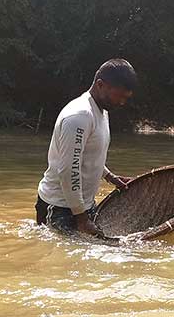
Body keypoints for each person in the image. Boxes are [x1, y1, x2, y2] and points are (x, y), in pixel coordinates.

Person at [35, 58, 137, 236]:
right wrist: (81, 219)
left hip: (81, 206)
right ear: (100, 84)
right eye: (119, 96)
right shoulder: (79, 116)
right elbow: (68, 170)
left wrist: (110, 177)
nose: (121, 102)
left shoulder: (102, 111)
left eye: (125, 98)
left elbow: (87, 154)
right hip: (59, 208)